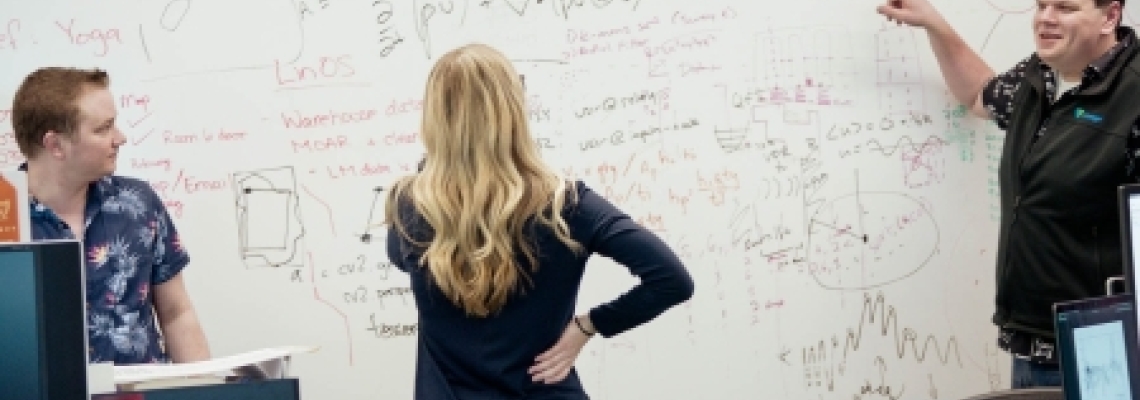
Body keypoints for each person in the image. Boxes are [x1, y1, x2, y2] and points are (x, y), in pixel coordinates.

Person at [383, 43, 695, 400]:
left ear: (435, 118)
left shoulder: (409, 204)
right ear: (513, 111)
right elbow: (671, 279)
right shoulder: (567, 204)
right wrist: (587, 326)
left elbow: (400, 259)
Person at [877, 0, 1138, 388]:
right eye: (1041, 5)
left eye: (1065, 8)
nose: (1046, 18)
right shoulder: (1040, 76)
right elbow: (980, 94)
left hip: (1104, 355)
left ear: (1110, 17)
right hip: (1031, 346)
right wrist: (935, 24)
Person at [10, 67, 211, 364]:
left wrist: (202, 392)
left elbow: (176, 314)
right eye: (103, 129)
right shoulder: (7, 217)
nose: (120, 138)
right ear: (55, 145)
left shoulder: (139, 204)